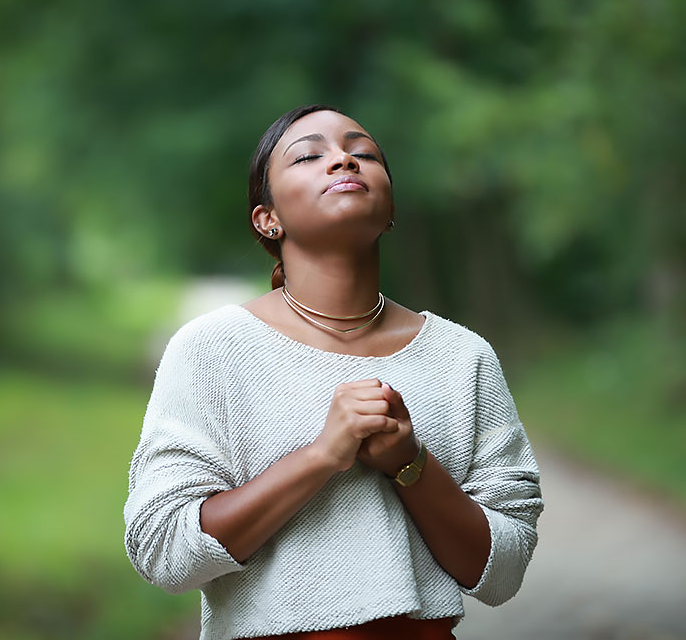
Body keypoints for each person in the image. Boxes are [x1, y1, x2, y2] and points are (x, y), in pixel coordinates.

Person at [123, 105, 544, 640]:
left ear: (390, 206)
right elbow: (165, 552)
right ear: (266, 219)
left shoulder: (463, 357)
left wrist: (410, 464)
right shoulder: (212, 350)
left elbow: (502, 572)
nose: (344, 159)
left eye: (363, 153)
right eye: (308, 155)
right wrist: (322, 456)